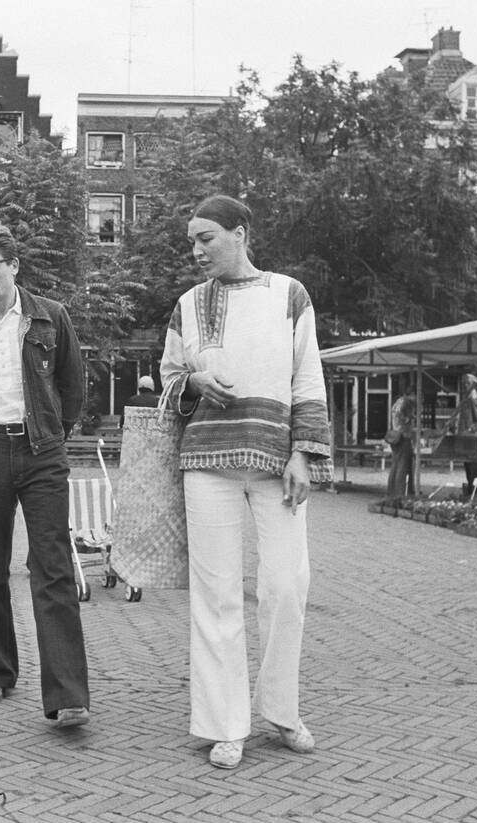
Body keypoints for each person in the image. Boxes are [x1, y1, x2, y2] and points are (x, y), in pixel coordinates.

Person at [161, 195, 332, 769]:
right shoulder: (187, 304)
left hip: (277, 462)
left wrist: (305, 453)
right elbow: (166, 378)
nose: (196, 250)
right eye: (191, 240)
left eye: (206, 238)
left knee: (287, 585)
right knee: (216, 594)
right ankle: (224, 725)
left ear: (239, 233)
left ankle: (281, 712)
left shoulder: (289, 293)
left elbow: (308, 375)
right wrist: (193, 384)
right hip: (206, 462)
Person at [0, 221, 91, 729]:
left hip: (42, 454)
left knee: (51, 570)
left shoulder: (52, 318)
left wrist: (52, 435)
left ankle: (68, 694)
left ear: (14, 266)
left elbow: (73, 388)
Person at [455, 373, 477, 496]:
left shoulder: (475, 399)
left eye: (467, 383)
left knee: (476, 474)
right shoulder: (467, 399)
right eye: (463, 383)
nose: (464, 385)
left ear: (473, 384)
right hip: (466, 443)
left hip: (473, 443)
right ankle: (472, 497)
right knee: (469, 473)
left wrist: (469, 430)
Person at [386, 388, 418, 497]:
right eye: (419, 396)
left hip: (394, 436)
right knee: (403, 466)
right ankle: (400, 493)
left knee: (395, 464)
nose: (419, 400)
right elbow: (407, 419)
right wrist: (414, 418)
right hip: (404, 436)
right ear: (413, 394)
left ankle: (392, 491)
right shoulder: (408, 403)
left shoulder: (398, 401)